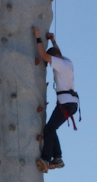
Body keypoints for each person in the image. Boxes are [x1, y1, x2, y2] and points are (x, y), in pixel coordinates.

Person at [32, 26, 78, 171]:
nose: (52, 64)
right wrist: (53, 41)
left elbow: (43, 55)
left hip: (66, 103)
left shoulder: (59, 63)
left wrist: (38, 37)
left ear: (56, 58)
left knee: (49, 129)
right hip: (71, 103)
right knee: (52, 128)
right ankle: (57, 158)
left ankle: (46, 159)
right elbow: (58, 53)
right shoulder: (67, 62)